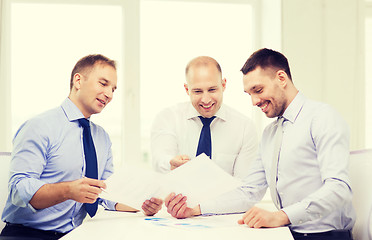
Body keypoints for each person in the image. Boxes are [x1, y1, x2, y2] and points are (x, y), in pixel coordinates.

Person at [164, 48, 355, 240]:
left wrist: (281, 216)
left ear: (281, 78)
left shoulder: (322, 117)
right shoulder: (270, 134)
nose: (254, 101)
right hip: (287, 233)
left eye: (258, 90)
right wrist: (194, 210)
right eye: (249, 94)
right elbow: (248, 192)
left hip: (326, 235)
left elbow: (339, 188)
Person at [1, 54, 162, 240]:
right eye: (103, 84)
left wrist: (140, 203)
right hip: (26, 235)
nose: (109, 94)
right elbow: (19, 189)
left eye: (113, 89)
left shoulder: (101, 138)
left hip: (75, 234)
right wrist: (68, 190)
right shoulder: (40, 126)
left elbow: (106, 191)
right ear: (78, 80)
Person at [151, 56, 258, 179]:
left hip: (225, 198)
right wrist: (171, 163)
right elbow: (160, 160)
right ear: (187, 89)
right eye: (197, 91)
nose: (206, 100)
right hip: (179, 197)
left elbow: (243, 183)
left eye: (212, 90)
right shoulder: (167, 118)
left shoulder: (244, 127)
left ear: (223, 85)